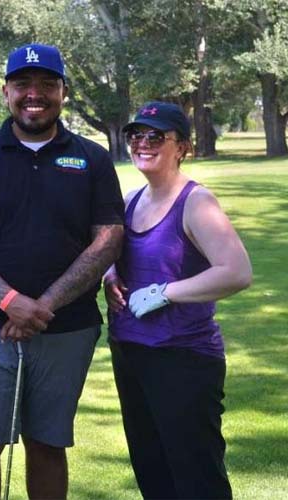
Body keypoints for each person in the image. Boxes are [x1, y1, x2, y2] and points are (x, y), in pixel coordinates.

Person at [0, 43, 125, 499]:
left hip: (66, 326)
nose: (34, 94)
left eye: (46, 84)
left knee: (47, 444)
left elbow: (108, 239)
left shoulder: (92, 159)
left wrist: (44, 304)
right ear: (6, 92)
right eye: (23, 84)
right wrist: (9, 300)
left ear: (63, 91)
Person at [104, 101, 252, 499]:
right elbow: (116, 257)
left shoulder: (196, 202)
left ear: (182, 147)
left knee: (196, 476)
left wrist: (166, 293)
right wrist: (109, 272)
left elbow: (236, 271)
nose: (143, 143)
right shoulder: (132, 200)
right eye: (136, 135)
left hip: (183, 358)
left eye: (156, 136)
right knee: (152, 471)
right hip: (131, 353)